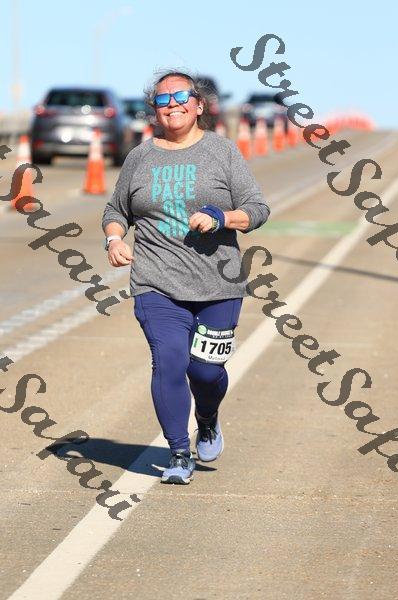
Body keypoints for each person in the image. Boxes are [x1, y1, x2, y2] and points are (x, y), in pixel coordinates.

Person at [102, 70, 270, 485]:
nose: (173, 105)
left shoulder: (222, 151)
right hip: (156, 281)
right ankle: (178, 452)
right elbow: (116, 210)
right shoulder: (140, 157)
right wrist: (114, 238)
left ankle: (207, 418)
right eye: (163, 99)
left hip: (218, 284)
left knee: (206, 372)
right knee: (169, 361)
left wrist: (222, 217)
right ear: (154, 109)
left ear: (198, 105)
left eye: (181, 97)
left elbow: (257, 208)